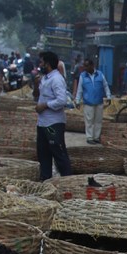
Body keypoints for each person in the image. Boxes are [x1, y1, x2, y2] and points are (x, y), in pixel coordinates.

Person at [35, 50, 72, 180]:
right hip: (43, 122)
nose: (40, 65)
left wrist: (45, 105)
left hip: (53, 124)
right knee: (43, 153)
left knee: (58, 153)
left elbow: (62, 100)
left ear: (48, 64)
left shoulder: (57, 79)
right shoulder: (45, 78)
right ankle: (45, 180)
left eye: (41, 62)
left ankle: (67, 180)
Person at [74, 58, 111, 144]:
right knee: (89, 120)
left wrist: (108, 96)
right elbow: (80, 90)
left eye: (87, 66)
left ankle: (96, 137)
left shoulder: (100, 75)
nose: (85, 68)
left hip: (99, 102)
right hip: (88, 103)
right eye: (84, 66)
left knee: (98, 121)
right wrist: (77, 101)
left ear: (92, 66)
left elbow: (105, 86)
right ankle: (90, 137)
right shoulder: (82, 76)